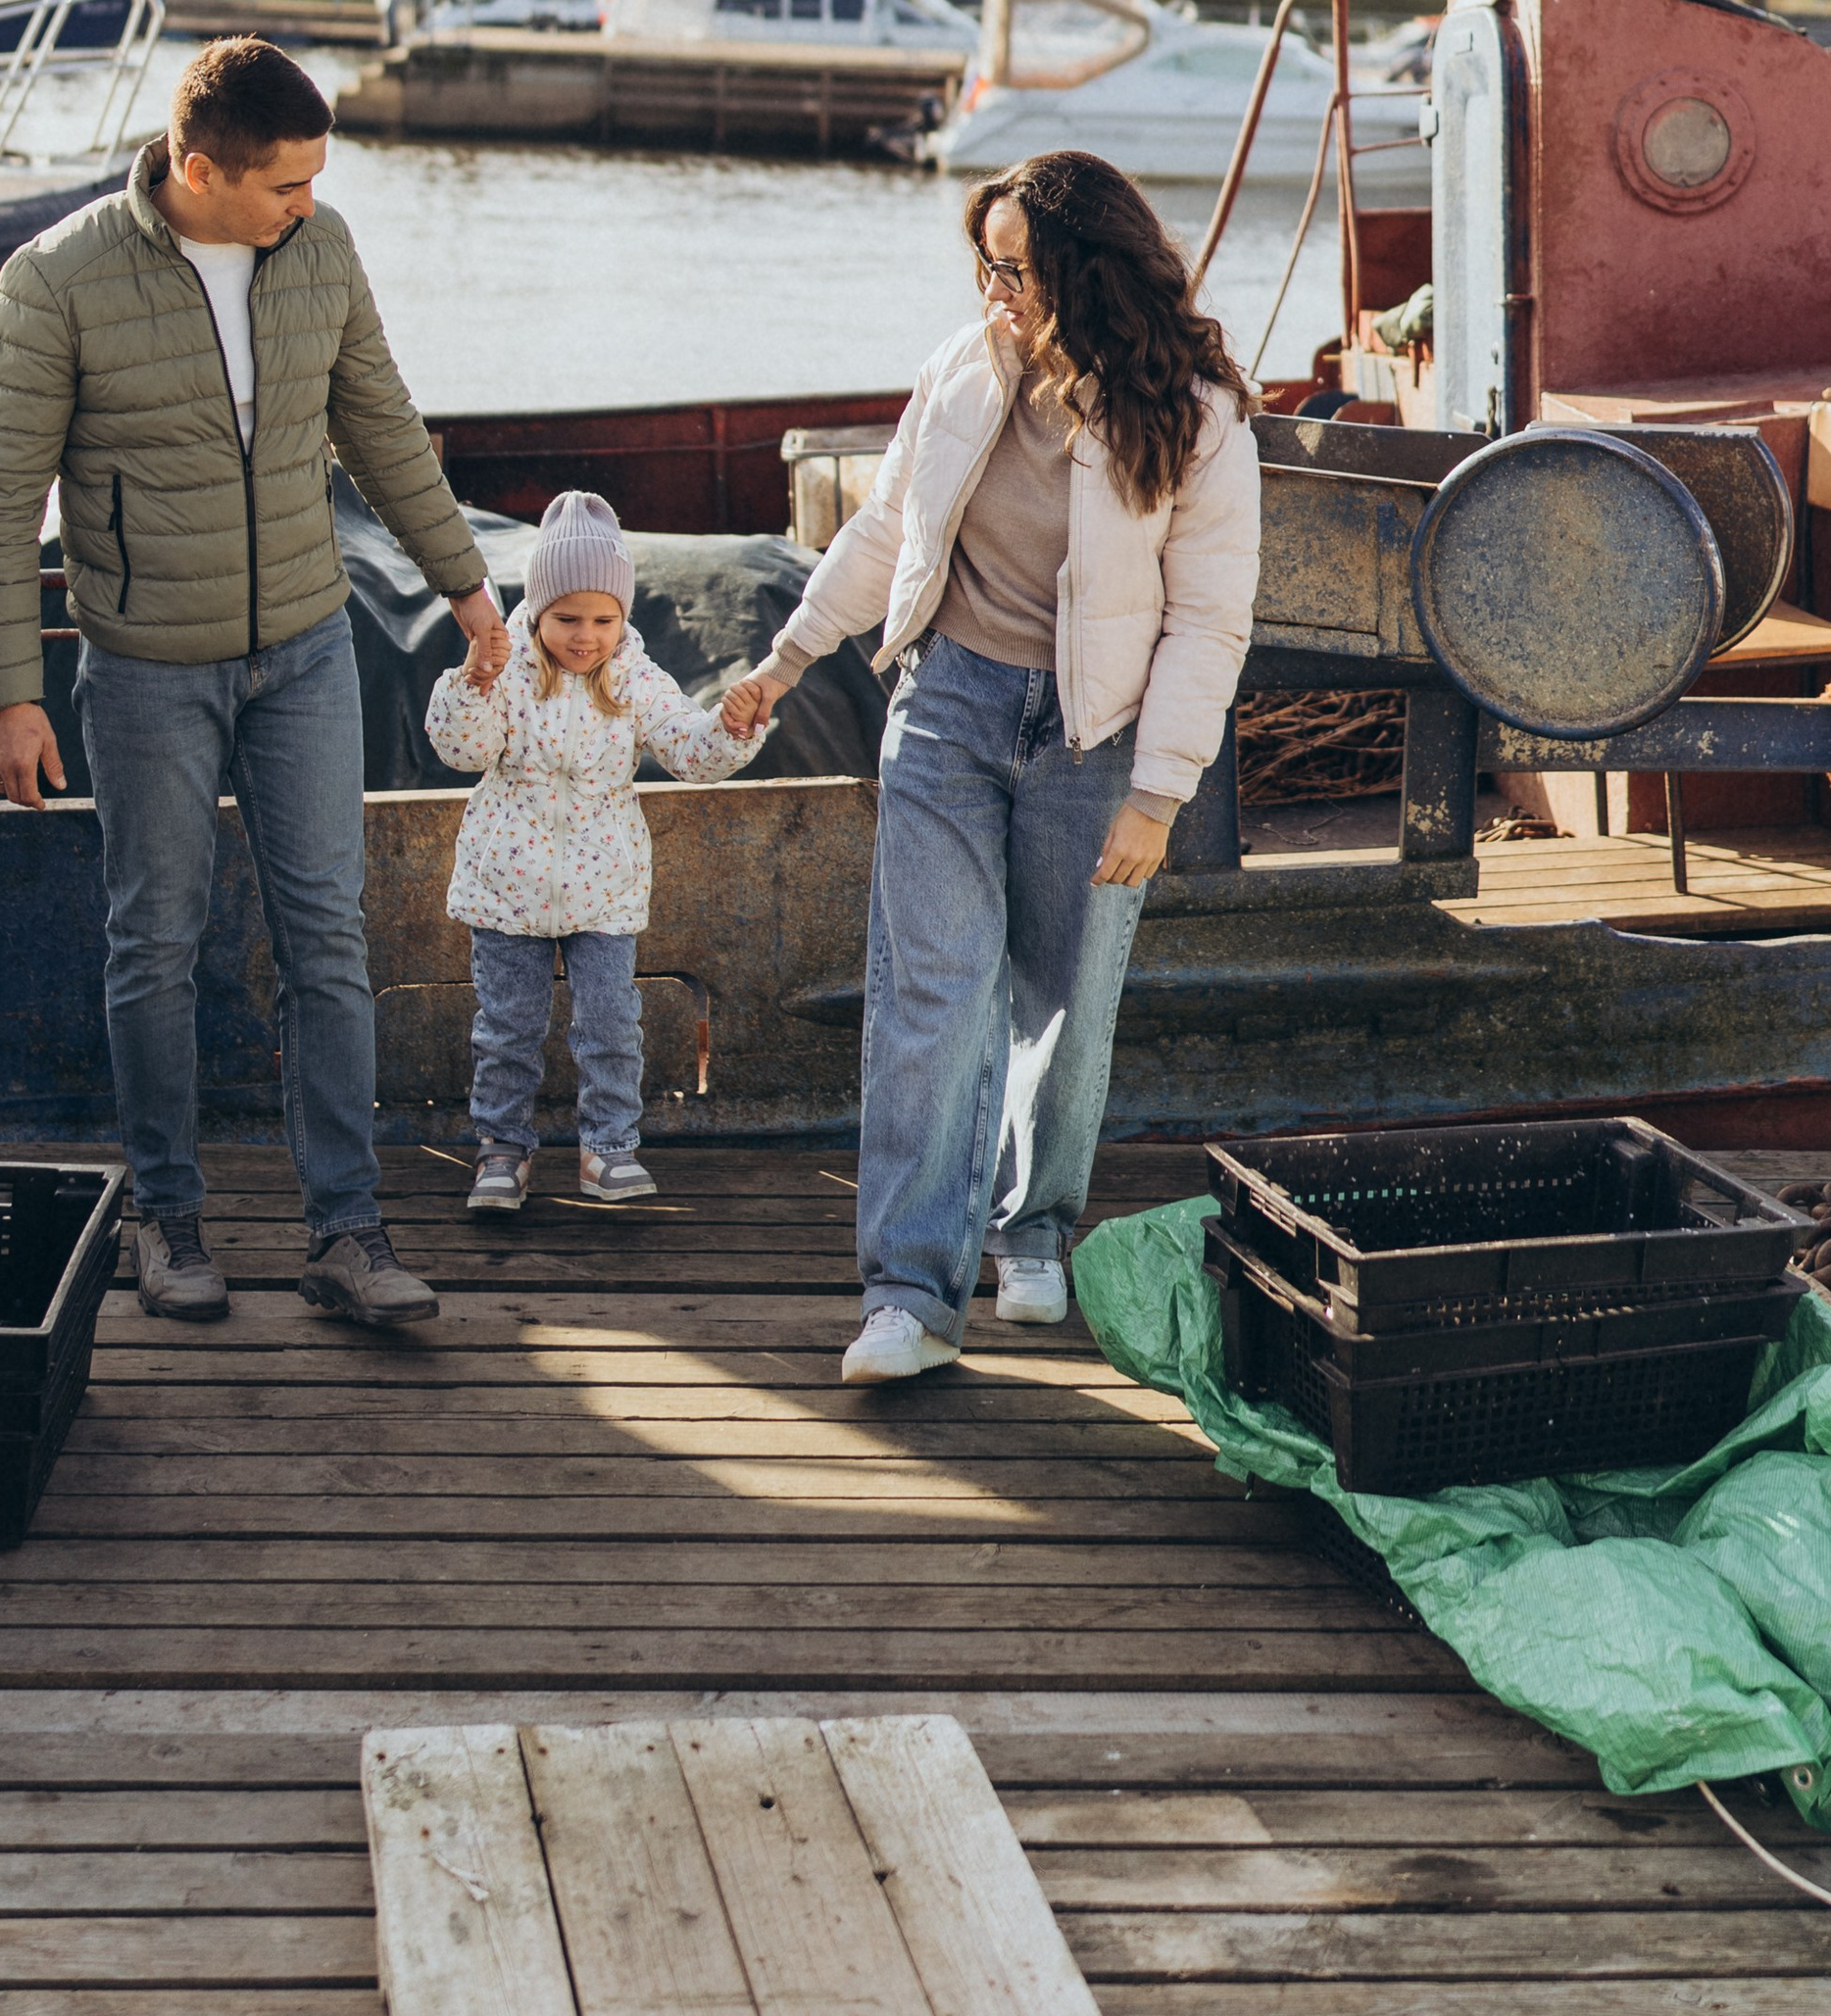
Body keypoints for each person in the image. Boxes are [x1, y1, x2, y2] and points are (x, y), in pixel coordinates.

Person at [0, 35, 510, 1325]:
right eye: (285, 188)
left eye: (317, 183)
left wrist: (467, 586)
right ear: (199, 171)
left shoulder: (320, 252)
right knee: (155, 941)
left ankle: (348, 1232)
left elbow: (377, 415)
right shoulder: (57, 280)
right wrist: (2, 690)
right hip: (146, 666)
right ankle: (167, 1217)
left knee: (329, 937)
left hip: (309, 650)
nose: (307, 206)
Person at [721, 150, 1261, 1383]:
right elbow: (884, 530)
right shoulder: (960, 374)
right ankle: (907, 1293)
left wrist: (1158, 794)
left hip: (1097, 736)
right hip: (948, 709)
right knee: (931, 993)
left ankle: (1032, 1228)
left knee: (1066, 1003)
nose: (993, 289)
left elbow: (1206, 621)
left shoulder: (1198, 417)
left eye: (1015, 268)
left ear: (1085, 269)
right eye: (984, 264)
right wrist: (792, 655)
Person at [427, 490, 770, 1210]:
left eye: (604, 619)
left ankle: (608, 1150)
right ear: (536, 611)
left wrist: (733, 729)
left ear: (623, 617)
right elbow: (462, 749)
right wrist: (474, 682)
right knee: (508, 1029)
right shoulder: (506, 669)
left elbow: (689, 749)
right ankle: (501, 1149)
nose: (586, 637)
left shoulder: (634, 676)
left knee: (611, 1023)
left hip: (603, 886)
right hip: (508, 886)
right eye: (568, 619)